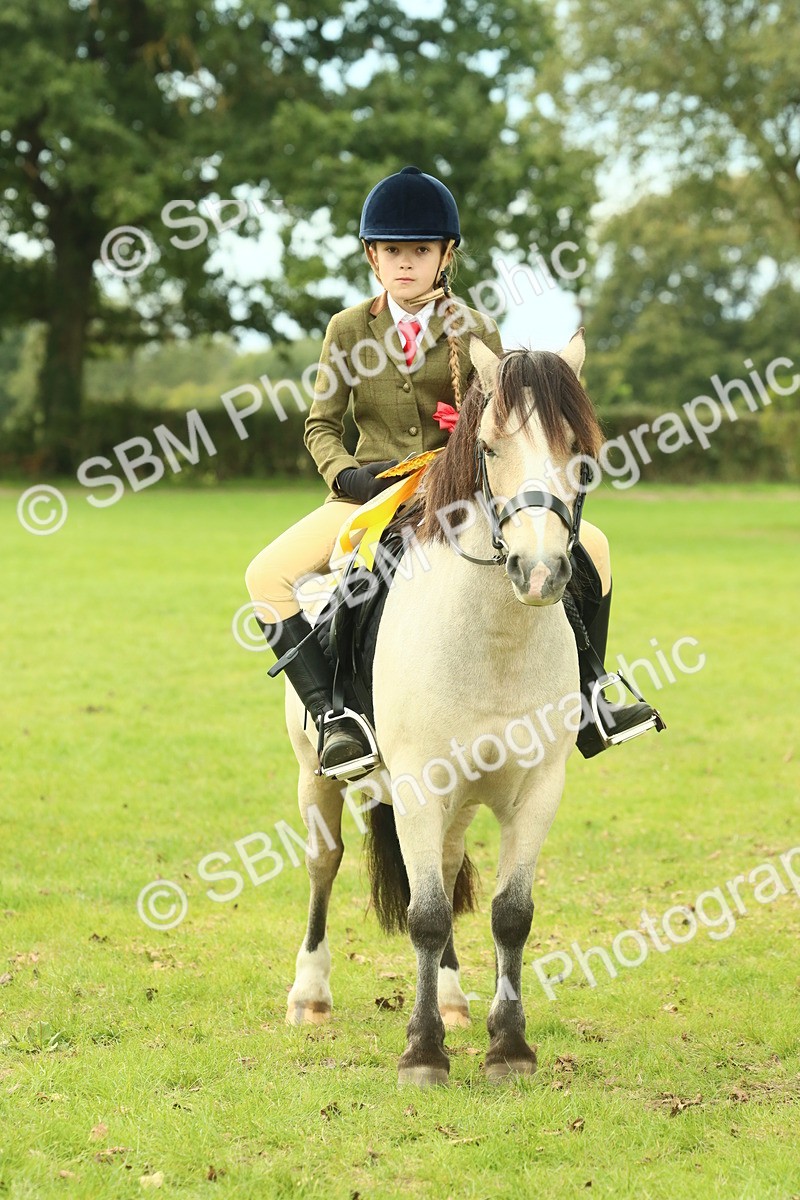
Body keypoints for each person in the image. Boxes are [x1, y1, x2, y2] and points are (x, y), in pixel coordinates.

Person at [245, 165, 661, 780]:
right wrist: (349, 477)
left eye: (420, 250)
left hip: (455, 494)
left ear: (446, 256)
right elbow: (321, 427)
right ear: (371, 256)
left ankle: (590, 698)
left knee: (592, 545)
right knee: (267, 575)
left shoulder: (474, 328)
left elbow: (499, 425)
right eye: (392, 251)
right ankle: (337, 718)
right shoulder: (348, 329)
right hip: (370, 496)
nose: (405, 263)